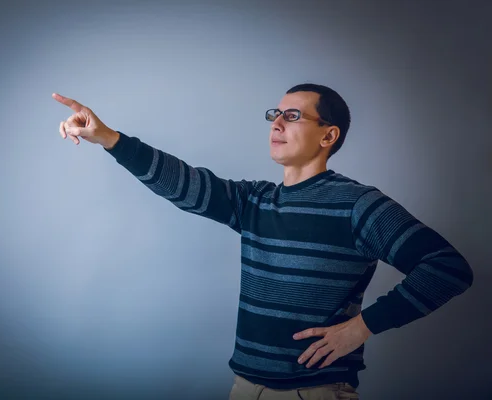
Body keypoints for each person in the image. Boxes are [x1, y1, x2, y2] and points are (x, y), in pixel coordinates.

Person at [52, 84, 473, 400]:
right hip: (246, 387)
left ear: (328, 136)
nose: (276, 122)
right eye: (276, 113)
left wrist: (361, 328)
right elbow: (183, 183)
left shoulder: (358, 205)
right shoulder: (255, 200)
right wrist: (108, 137)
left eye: (293, 115)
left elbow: (447, 268)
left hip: (315, 392)